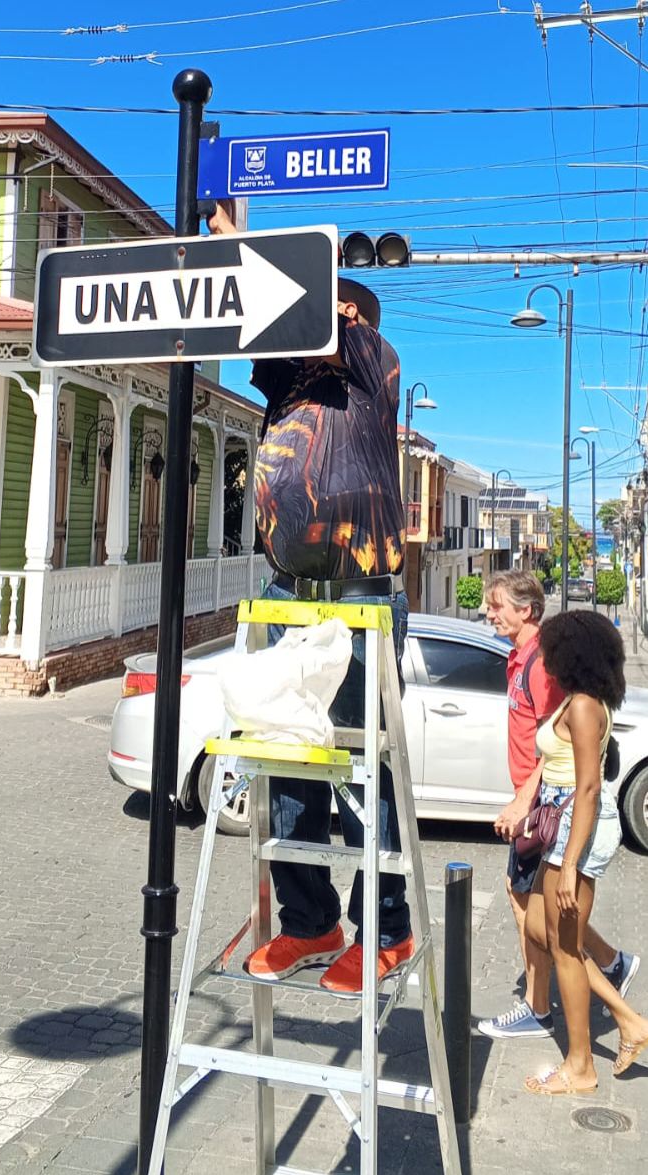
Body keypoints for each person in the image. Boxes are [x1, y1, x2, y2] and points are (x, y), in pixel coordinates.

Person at [206, 202, 413, 994]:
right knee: (284, 757)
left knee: (360, 765)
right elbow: (258, 328)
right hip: (287, 591)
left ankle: (385, 929)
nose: (332, 313)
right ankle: (308, 921)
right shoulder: (290, 379)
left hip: (360, 597)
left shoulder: (371, 359)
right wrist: (226, 255)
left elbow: (306, 315)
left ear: (352, 316)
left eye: (336, 304)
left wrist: (239, 242)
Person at [478, 571, 639, 1039]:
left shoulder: (544, 668)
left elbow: (574, 769)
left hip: (550, 811)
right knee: (538, 916)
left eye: (497, 605)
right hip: (546, 807)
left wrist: (524, 804)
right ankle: (611, 967)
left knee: (548, 925)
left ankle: (545, 1008)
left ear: (526, 610)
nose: (488, 613)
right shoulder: (521, 659)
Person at [523, 610, 648, 1094]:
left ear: (571, 653)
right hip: (565, 825)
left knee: (566, 949)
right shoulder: (578, 700)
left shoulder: (582, 706)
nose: (545, 658)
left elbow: (590, 788)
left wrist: (571, 865)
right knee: (541, 929)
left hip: (578, 828)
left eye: (551, 649)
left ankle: (581, 1066)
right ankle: (628, 1018)